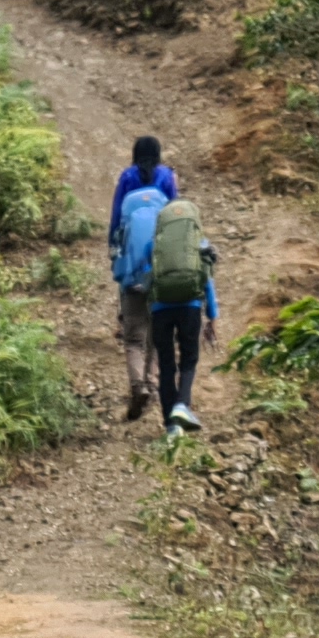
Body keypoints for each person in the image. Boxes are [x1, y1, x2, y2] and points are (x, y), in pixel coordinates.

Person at [140, 186, 219, 433]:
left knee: (165, 364)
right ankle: (182, 405)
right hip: (190, 306)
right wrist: (213, 315)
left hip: (161, 308)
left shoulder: (153, 245)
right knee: (189, 358)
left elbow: (146, 277)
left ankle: (171, 426)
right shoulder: (200, 242)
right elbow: (206, 279)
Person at [108, 135, 175, 419]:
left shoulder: (127, 177)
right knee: (158, 334)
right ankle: (151, 381)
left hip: (132, 269)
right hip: (160, 268)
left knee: (133, 336)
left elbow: (115, 221)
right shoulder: (166, 177)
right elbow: (177, 216)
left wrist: (114, 254)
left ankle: (138, 387)